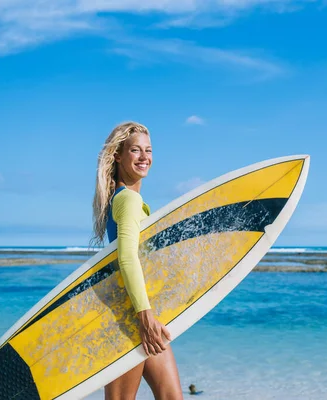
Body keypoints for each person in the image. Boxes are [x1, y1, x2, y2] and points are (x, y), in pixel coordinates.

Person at [91, 121, 183, 400]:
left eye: (149, 150)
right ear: (118, 156)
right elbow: (127, 257)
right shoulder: (128, 200)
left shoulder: (122, 200)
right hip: (131, 319)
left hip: (145, 316)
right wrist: (144, 316)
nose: (144, 157)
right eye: (135, 150)